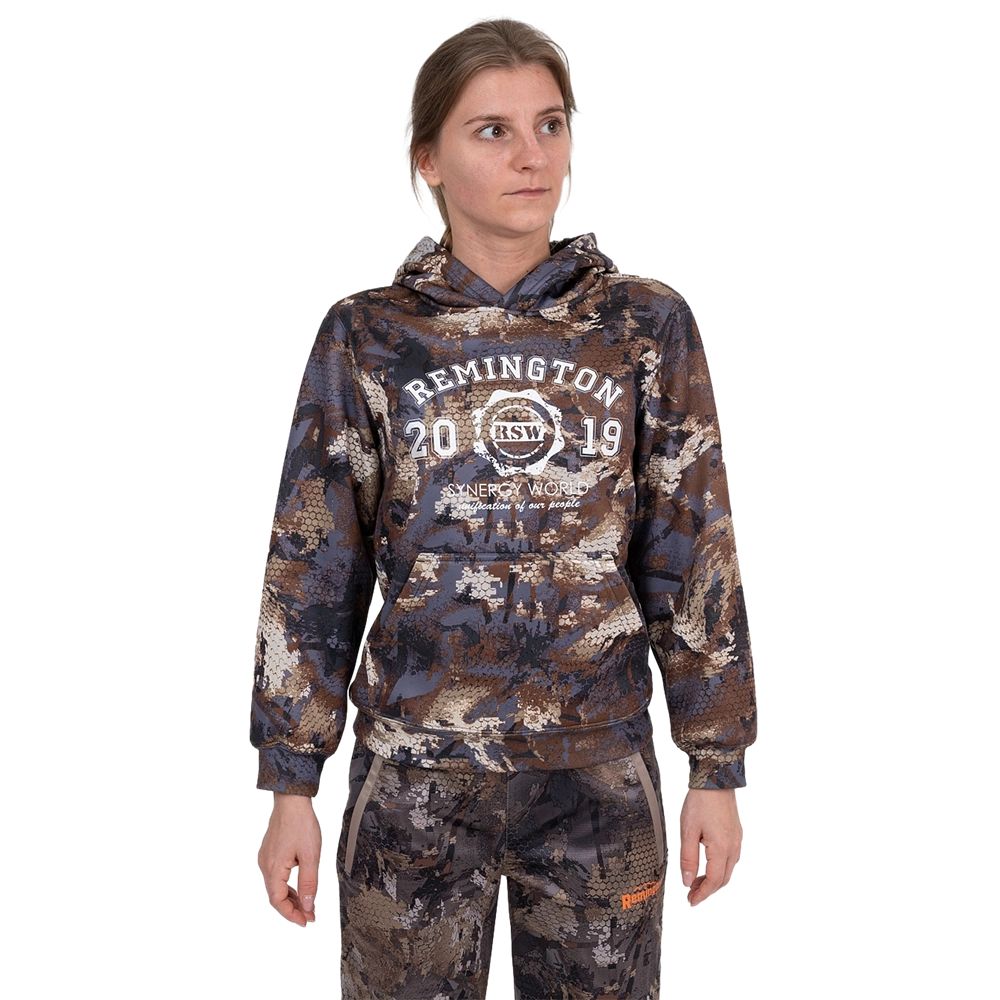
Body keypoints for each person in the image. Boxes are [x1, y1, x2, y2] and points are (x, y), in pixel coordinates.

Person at [250, 17, 757, 1000]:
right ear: (428, 159)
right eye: (493, 130)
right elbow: (312, 568)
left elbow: (694, 549)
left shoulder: (642, 325)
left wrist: (716, 765)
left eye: (550, 124)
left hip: (598, 777)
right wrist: (290, 783)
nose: (533, 156)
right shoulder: (368, 336)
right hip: (413, 780)